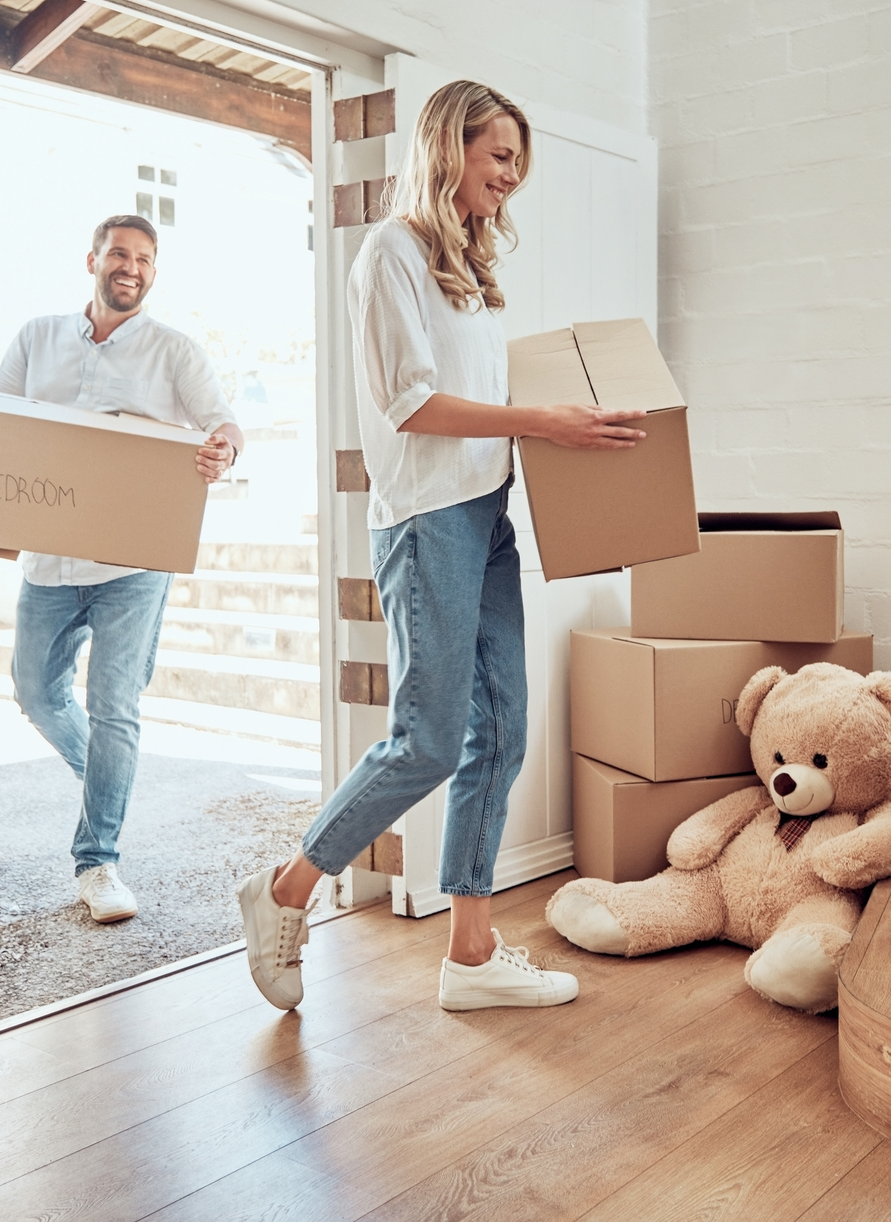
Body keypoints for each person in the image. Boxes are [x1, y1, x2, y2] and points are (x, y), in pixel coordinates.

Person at [235, 80, 648, 1013]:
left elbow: (483, 399)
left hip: (487, 512)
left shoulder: (469, 269)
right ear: (446, 149)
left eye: (516, 163)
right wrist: (543, 418)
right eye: (499, 157)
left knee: (499, 733)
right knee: (426, 740)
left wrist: (557, 434)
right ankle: (287, 889)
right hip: (427, 522)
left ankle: (470, 954)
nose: (510, 178)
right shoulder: (389, 253)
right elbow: (410, 403)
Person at [0, 213, 245, 924]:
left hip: (134, 562)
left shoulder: (174, 353)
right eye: (119, 254)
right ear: (93, 260)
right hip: (48, 555)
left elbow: (224, 424)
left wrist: (222, 450)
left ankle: (98, 860)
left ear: (153, 273)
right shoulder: (37, 338)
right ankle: (108, 774)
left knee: (115, 707)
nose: (131, 267)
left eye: (145, 259)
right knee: (34, 691)